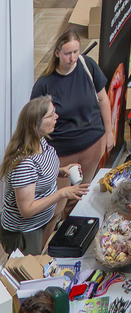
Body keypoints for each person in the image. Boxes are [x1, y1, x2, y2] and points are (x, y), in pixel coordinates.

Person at [0, 99, 85, 254]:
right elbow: (27, 210)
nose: (56, 117)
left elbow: (39, 176)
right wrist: (62, 193)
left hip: (41, 223)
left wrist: (60, 170)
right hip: (25, 232)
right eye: (51, 115)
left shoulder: (41, 142)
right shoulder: (24, 164)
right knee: (26, 273)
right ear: (35, 125)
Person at [31, 27, 112, 184]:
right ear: (57, 53)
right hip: (62, 151)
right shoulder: (44, 84)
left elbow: (103, 100)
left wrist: (109, 132)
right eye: (68, 53)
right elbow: (34, 122)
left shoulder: (88, 65)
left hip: (92, 143)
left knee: (82, 193)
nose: (72, 58)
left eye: (76, 52)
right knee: (60, 201)